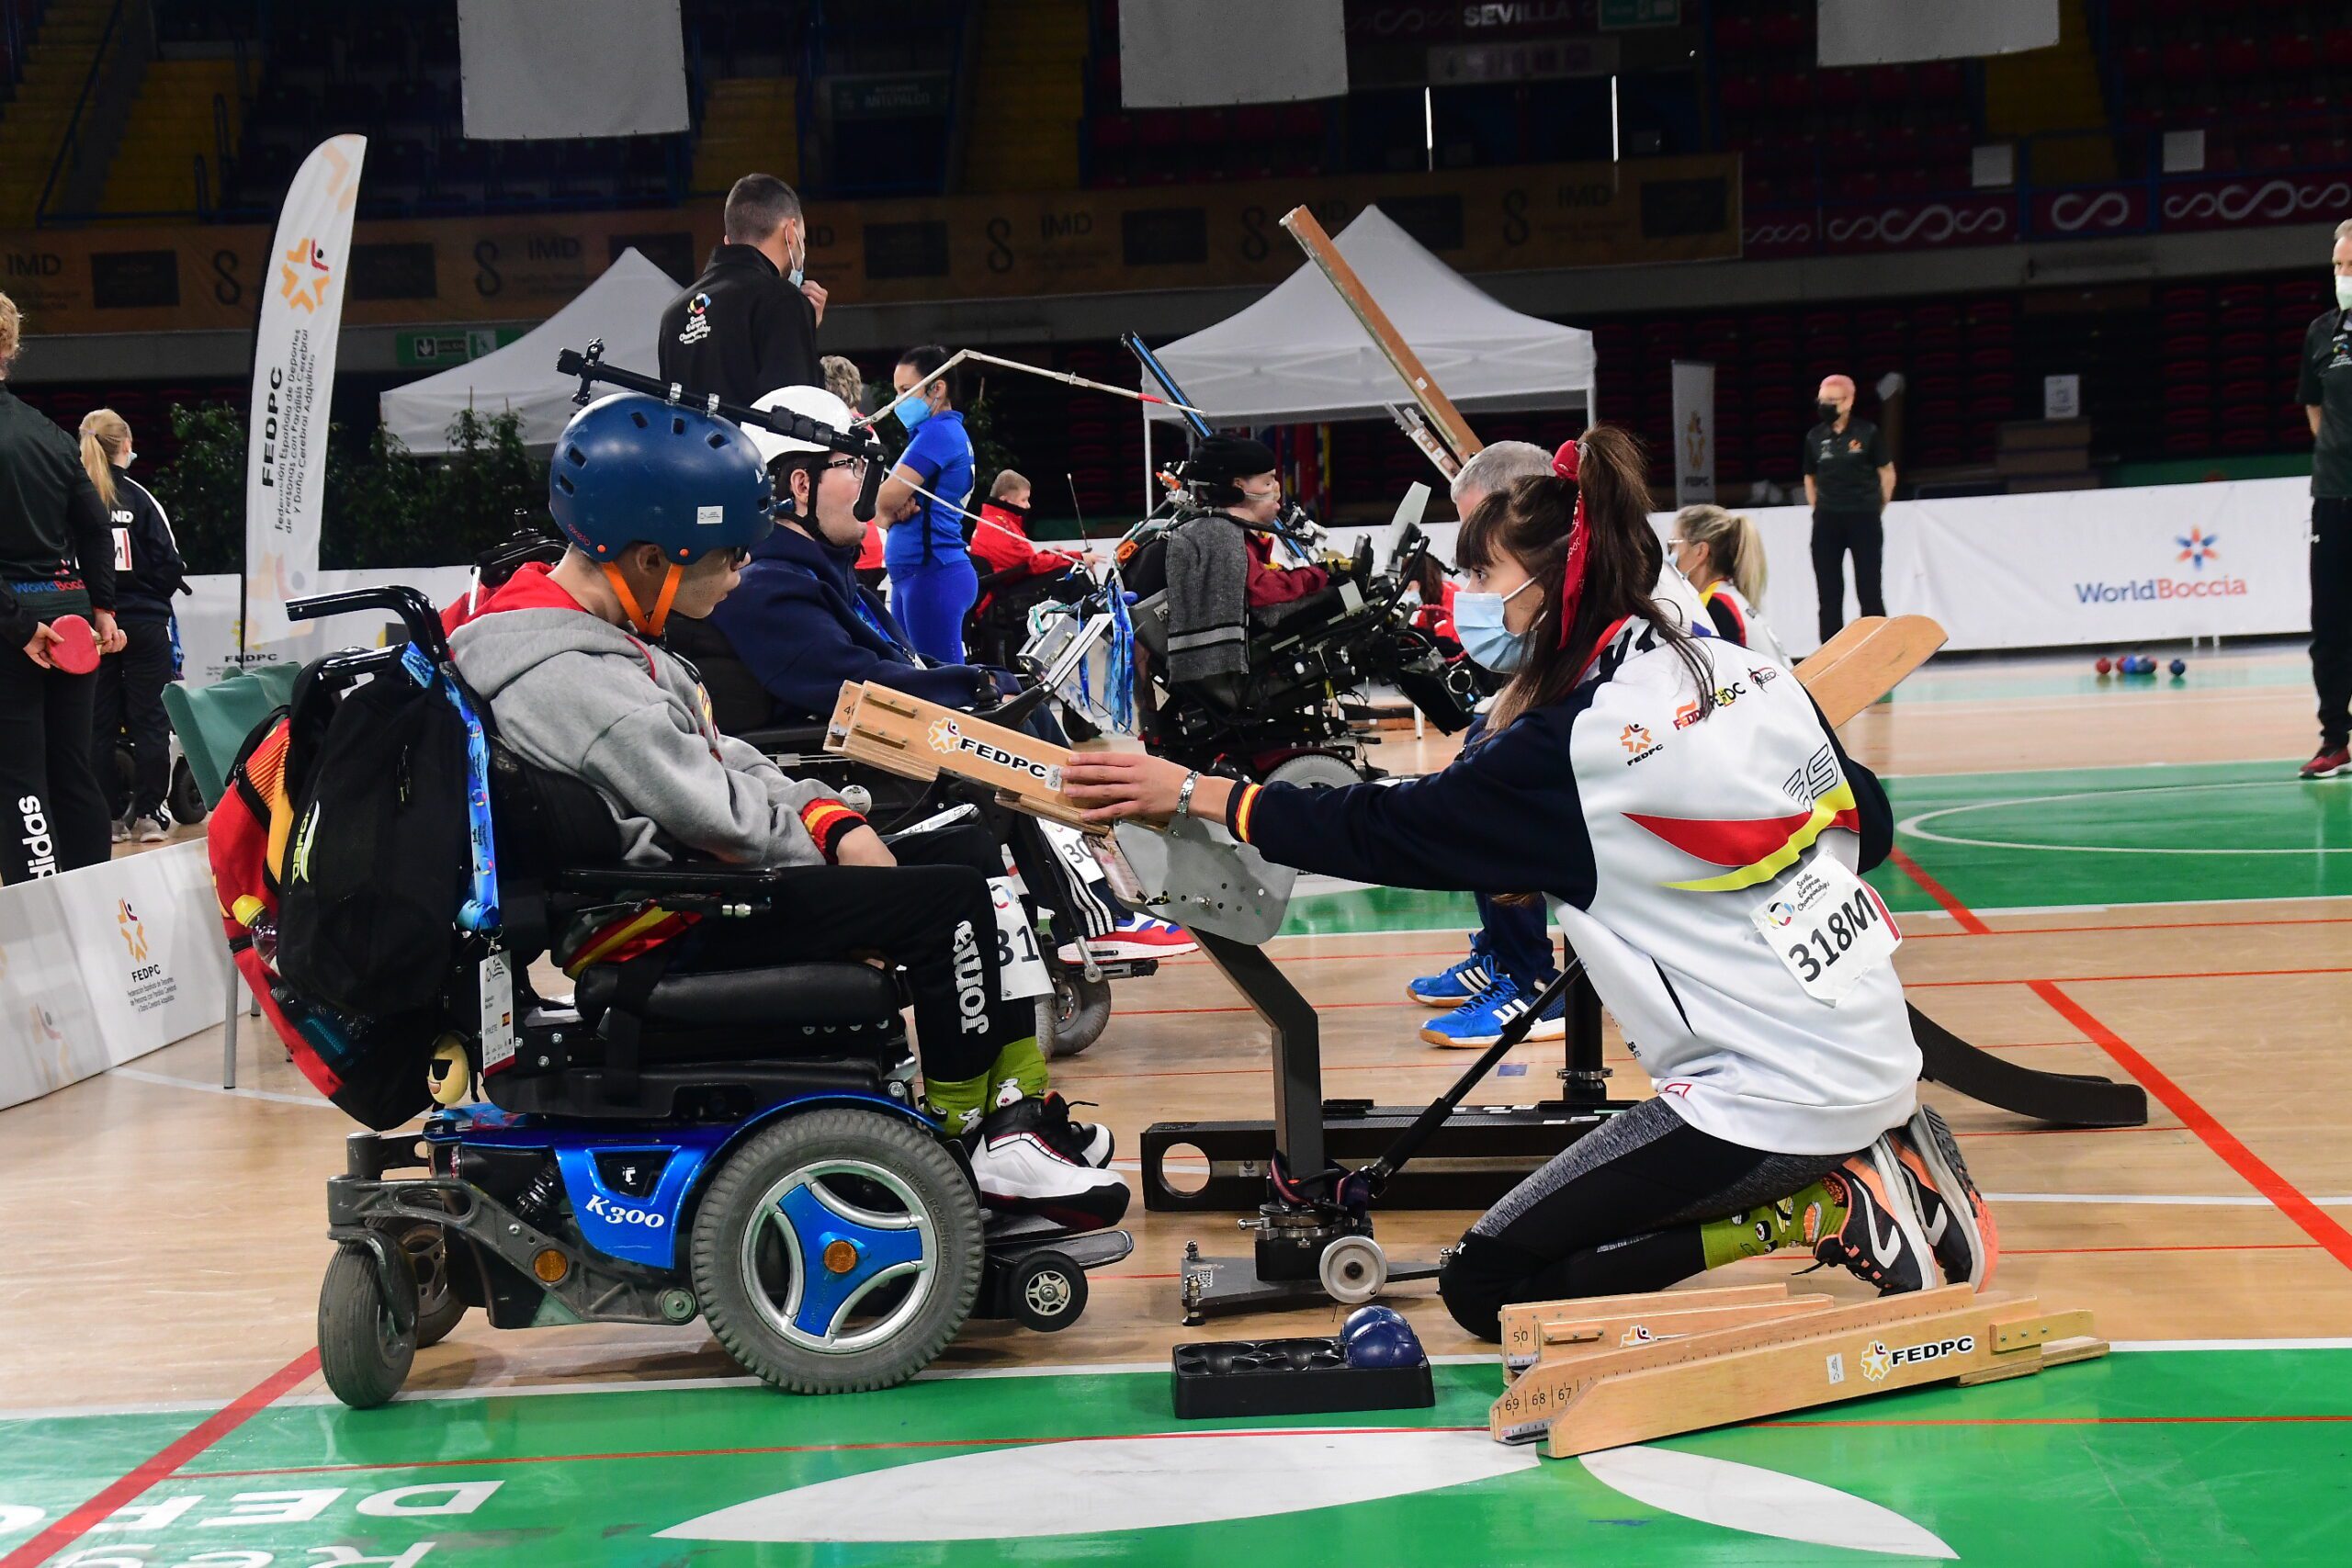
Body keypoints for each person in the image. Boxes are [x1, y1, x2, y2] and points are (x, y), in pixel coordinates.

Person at [1064, 427, 1996, 1337]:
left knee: (1486, 1285)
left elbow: (1390, 831)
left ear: (1555, 585)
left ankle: (1825, 1209)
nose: (1464, 600)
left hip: (1762, 1100)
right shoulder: (1737, 665)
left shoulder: (1580, 747)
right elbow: (1865, 825)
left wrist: (1197, 793)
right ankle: (1880, 1159)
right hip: (1870, 1053)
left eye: (1480, 578)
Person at [448, 389, 1126, 1224]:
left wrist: (830, 820)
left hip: (680, 885)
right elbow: (715, 810)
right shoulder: (576, 676)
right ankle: (972, 1141)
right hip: (659, 916)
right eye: (729, 555)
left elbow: (721, 760)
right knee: (943, 896)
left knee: (966, 852)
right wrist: (833, 836)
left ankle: (1014, 1110)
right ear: (654, 560)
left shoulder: (596, 636)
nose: (739, 576)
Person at [695, 385, 1193, 964]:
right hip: (842, 764)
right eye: (850, 467)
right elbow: (854, 685)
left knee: (1014, 708)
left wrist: (980, 681)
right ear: (800, 484)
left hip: (873, 745)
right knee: (1007, 727)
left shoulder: (819, 574)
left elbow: (900, 663)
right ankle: (1093, 912)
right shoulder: (769, 585)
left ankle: (1099, 899)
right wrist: (974, 686)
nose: (867, 484)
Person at [1407, 441, 1708, 1048]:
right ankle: (1504, 952)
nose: (1472, 584)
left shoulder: (1632, 590)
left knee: (1497, 779)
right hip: (1652, 752)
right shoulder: (1599, 573)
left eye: (1483, 565)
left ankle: (1532, 981)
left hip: (1675, 776)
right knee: (1484, 745)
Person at [0, 293, 123, 884]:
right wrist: (101, 609)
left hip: (14, 623)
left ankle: (43, 917)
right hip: (69, 616)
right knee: (73, 769)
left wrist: (20, 626)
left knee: (19, 776)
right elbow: (97, 529)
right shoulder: (49, 434)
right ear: (10, 347)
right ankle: (96, 905)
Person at [81, 408, 187, 843]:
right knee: (150, 722)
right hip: (143, 625)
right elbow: (170, 564)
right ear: (125, 446)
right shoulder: (142, 500)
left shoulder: (72, 498)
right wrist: (147, 597)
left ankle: (105, 819)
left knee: (96, 724)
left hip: (91, 628)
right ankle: (149, 815)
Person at [658, 174, 822, 405]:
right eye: (802, 239)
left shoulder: (674, 314)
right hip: (751, 442)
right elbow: (799, 414)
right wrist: (800, 327)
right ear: (790, 232)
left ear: (729, 241)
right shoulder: (783, 300)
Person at [876, 344, 979, 662]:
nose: (898, 401)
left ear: (938, 389)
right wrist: (886, 513)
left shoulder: (939, 433)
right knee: (921, 684)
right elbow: (882, 509)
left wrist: (886, 511)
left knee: (944, 692)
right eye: (896, 391)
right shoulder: (930, 434)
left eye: (907, 390)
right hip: (919, 575)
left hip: (933, 573)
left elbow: (881, 499)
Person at [2294, 218, 2352, 780]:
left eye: (2351, 266)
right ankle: (2336, 738)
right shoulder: (2320, 333)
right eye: (2338, 265)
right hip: (2333, 496)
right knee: (2330, 623)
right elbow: (2314, 407)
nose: (2342, 275)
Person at [1803, 374, 1894, 644]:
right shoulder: (1814, 437)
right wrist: (1817, 508)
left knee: (1869, 590)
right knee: (1829, 594)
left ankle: (1879, 649)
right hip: (1827, 520)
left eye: (1832, 401)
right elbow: (1810, 477)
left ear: (1849, 401)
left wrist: (1878, 506)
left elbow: (1887, 472)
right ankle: (1831, 653)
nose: (1826, 406)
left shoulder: (1868, 432)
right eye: (1822, 401)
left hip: (1863, 516)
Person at [1669, 502, 1789, 664]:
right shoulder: (1727, 598)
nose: (1671, 555)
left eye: (1673, 546)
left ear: (1700, 551)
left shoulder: (1715, 607)